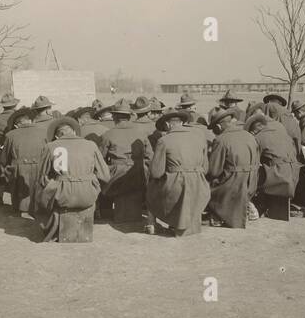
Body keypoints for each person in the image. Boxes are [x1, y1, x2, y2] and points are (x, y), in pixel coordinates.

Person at [34, 121, 110, 242]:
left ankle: (52, 227)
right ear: (74, 132)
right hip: (88, 195)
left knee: (43, 193)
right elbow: (105, 175)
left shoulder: (51, 146)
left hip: (62, 195)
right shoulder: (91, 145)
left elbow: (42, 177)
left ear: (58, 136)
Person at [147, 109, 211, 236]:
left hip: (177, 185)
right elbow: (205, 168)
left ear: (167, 125)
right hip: (200, 186)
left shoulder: (164, 141)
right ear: (182, 122)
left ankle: (152, 223)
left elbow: (156, 173)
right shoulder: (199, 137)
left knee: (151, 188)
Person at [99, 97, 156, 232]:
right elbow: (150, 156)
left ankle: (105, 211)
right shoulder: (140, 133)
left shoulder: (108, 134)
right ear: (129, 116)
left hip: (116, 177)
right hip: (138, 174)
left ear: (114, 117)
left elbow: (100, 158)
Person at [205, 107, 260, 228]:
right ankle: (246, 204)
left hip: (233, 185)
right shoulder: (249, 136)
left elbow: (214, 171)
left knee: (207, 185)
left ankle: (218, 215)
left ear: (218, 127)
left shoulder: (221, 140)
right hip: (251, 184)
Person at [247, 111, 300, 219]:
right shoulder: (280, 131)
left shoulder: (259, 137)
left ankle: (253, 206)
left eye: (252, 131)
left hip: (279, 175)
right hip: (294, 173)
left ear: (256, 128)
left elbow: (254, 162)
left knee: (250, 174)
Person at [1, 107, 47, 216]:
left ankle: (20, 208)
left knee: (10, 173)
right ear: (30, 121)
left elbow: (4, 158)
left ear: (17, 125)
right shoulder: (44, 132)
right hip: (39, 168)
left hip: (19, 169)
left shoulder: (11, 135)